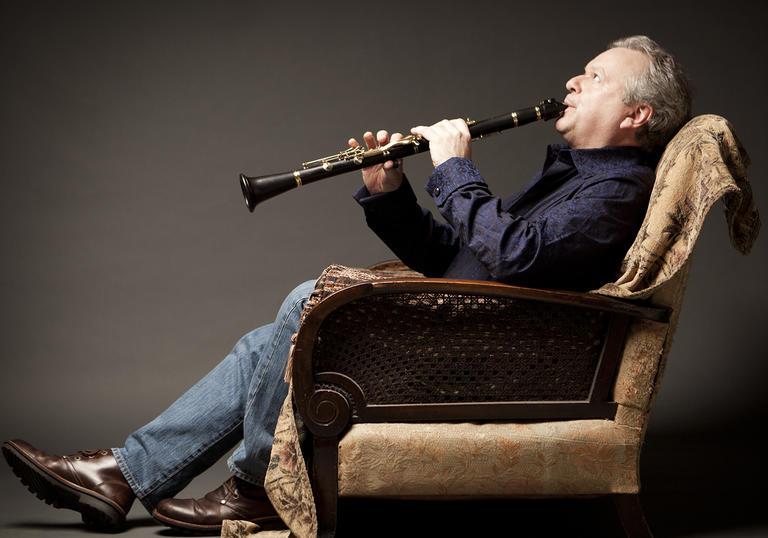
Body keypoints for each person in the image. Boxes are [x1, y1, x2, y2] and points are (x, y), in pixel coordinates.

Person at [2, 35, 691, 535]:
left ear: (635, 117)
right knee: (262, 345)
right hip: (474, 323)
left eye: (595, 77)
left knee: (309, 300)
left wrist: (453, 168)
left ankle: (257, 487)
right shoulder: (580, 180)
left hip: (489, 355)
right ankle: (125, 475)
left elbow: (510, 258)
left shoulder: (612, 194)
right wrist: (389, 193)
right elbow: (460, 258)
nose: (573, 82)